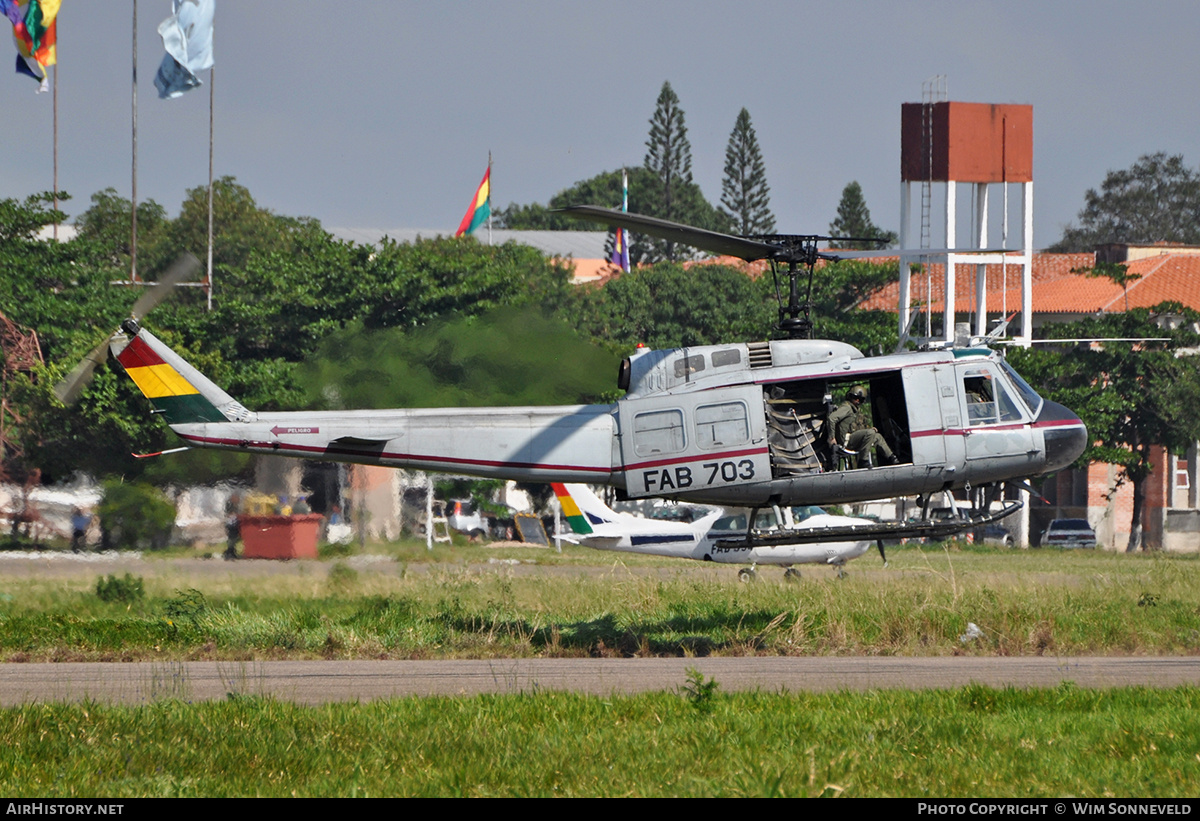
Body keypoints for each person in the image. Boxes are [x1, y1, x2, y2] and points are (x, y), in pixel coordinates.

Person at [827, 385, 897, 468]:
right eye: (855, 398)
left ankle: (892, 458)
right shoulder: (847, 407)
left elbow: (857, 427)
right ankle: (863, 460)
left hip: (855, 438)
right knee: (870, 433)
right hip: (847, 440)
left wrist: (868, 430)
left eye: (859, 399)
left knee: (877, 436)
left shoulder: (856, 411)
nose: (857, 400)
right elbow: (831, 418)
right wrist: (832, 437)